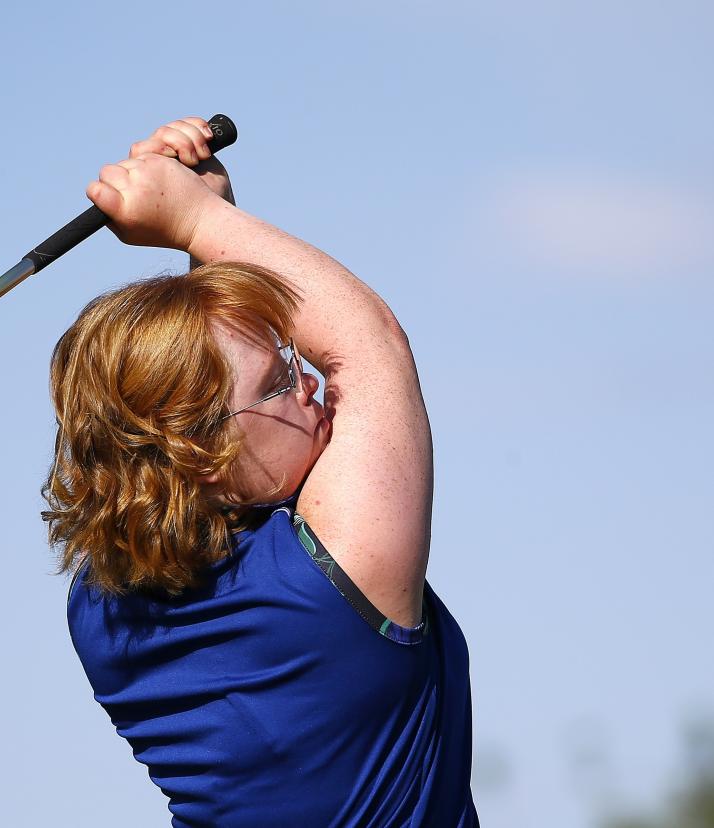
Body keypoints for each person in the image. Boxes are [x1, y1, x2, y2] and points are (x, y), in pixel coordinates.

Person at [43, 117, 477, 827]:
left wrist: (209, 225)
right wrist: (193, 218)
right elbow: (368, 347)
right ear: (200, 455)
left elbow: (198, 408)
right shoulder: (330, 586)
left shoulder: (99, 604)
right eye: (279, 381)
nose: (308, 383)